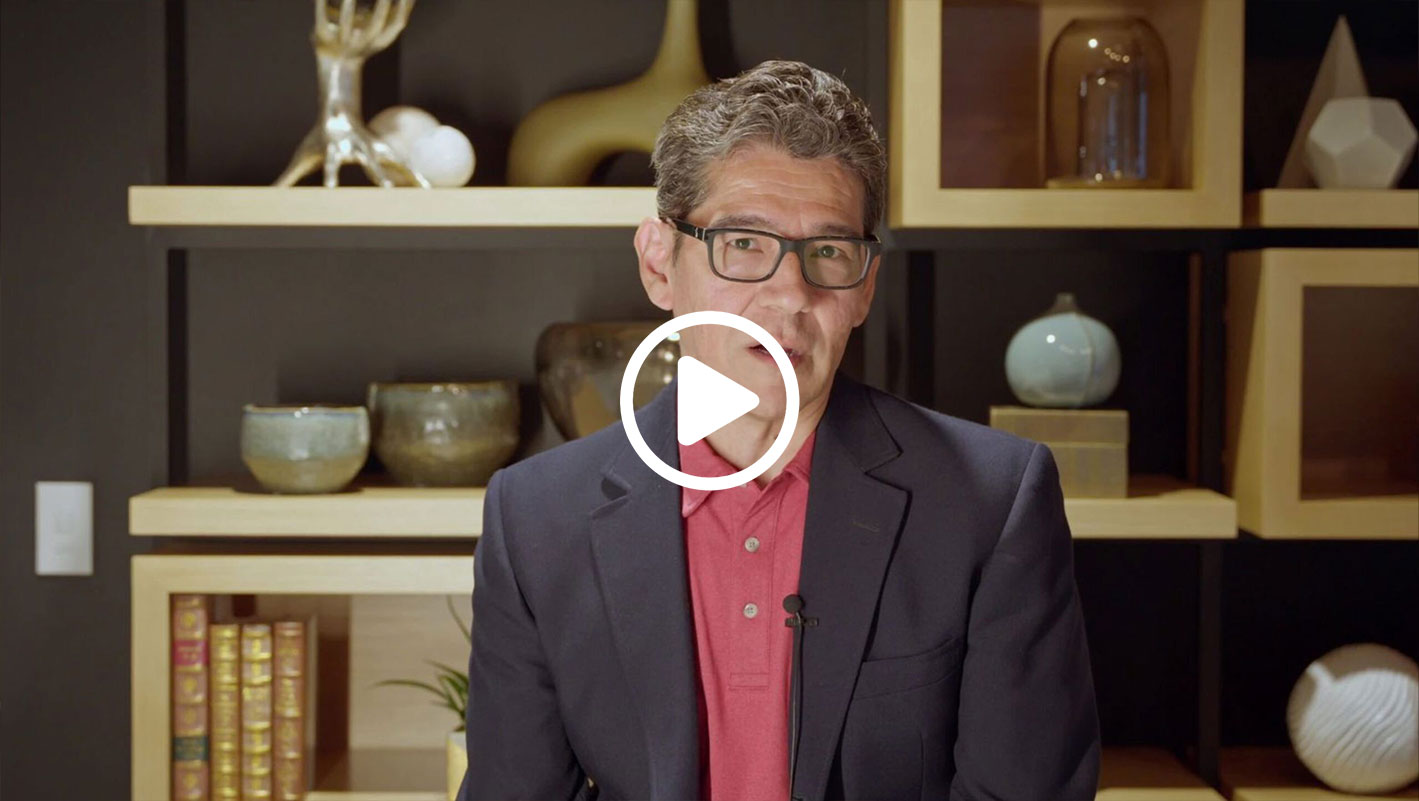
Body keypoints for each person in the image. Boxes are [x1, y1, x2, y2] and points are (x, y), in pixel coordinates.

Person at [458, 59, 1099, 801]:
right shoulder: (535, 517)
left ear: (864, 288)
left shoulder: (991, 501)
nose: (789, 294)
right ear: (659, 263)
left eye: (828, 251)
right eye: (743, 243)